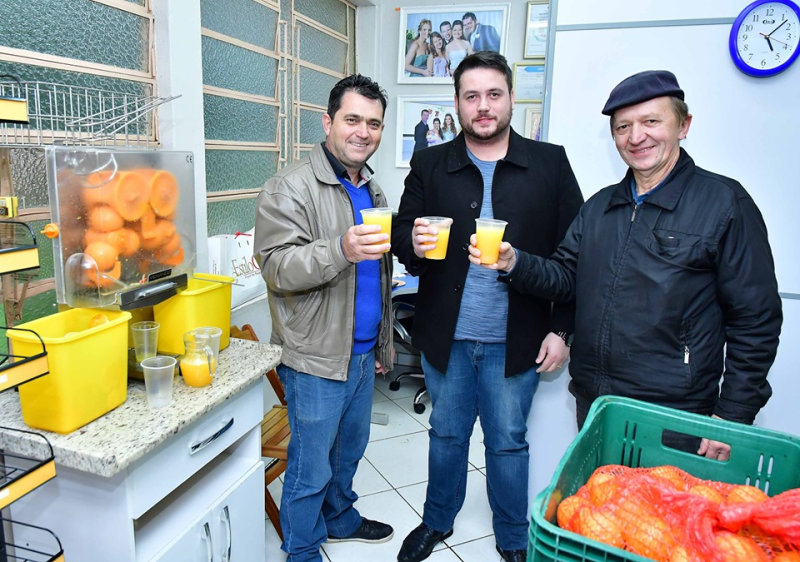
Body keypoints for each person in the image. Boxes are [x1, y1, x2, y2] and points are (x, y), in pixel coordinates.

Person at [474, 70, 783, 460]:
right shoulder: (601, 206)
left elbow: (756, 320)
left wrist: (732, 416)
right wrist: (515, 262)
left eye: (651, 121)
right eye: (623, 127)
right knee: (599, 514)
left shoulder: (724, 204)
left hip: (674, 415)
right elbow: (567, 279)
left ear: (683, 125)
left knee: (661, 521)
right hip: (595, 405)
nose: (636, 137)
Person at [392, 52, 584, 562]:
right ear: (456, 103)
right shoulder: (431, 163)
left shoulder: (550, 163)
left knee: (507, 443)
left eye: (493, 94)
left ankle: (514, 537)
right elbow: (402, 240)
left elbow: (577, 258)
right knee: (446, 434)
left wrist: (562, 333)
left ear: (510, 98)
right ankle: (437, 520)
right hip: (445, 337)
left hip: (516, 338)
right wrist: (409, 238)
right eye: (471, 96)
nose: (483, 106)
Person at [254, 74, 395, 562]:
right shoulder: (289, 187)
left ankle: (340, 517)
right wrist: (339, 249)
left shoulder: (370, 188)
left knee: (348, 453)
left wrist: (382, 343)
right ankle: (303, 548)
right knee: (310, 467)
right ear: (328, 121)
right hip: (315, 357)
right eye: (352, 119)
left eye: (373, 123)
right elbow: (275, 266)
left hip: (359, 353)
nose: (363, 132)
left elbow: (373, 276)